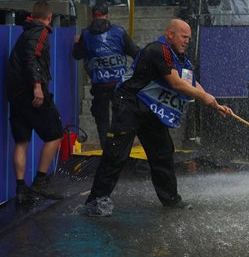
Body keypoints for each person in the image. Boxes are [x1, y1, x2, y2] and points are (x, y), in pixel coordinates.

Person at [82, 19, 235, 216]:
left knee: (163, 153)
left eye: (189, 37)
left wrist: (215, 104)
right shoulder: (157, 50)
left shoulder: (181, 59)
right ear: (170, 34)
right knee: (115, 154)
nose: (187, 41)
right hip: (130, 105)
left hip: (151, 111)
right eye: (183, 36)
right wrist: (205, 98)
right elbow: (176, 84)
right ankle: (94, 203)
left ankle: (171, 200)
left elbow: (191, 83)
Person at [7, 0, 64, 204]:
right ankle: (41, 181)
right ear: (49, 17)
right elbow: (32, 57)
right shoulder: (40, 32)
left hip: (15, 96)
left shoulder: (25, 32)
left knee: (22, 142)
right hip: (30, 92)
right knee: (56, 133)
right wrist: (37, 86)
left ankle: (21, 189)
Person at [72, 4, 140, 149]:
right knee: (121, 118)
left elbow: (77, 55)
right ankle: (119, 148)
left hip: (99, 85)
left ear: (92, 16)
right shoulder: (119, 32)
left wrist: (77, 43)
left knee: (102, 120)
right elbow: (135, 53)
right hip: (119, 84)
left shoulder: (85, 34)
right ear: (107, 15)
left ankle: (106, 148)